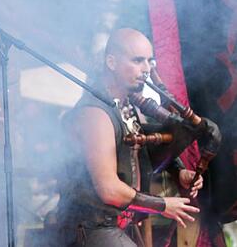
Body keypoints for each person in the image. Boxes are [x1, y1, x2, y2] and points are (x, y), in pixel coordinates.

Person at [59, 28, 202, 246]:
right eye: (137, 60)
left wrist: (179, 171)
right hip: (91, 228)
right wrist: (162, 204)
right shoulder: (96, 113)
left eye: (149, 61)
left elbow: (141, 151)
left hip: (117, 224)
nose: (146, 69)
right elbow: (108, 189)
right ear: (111, 62)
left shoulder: (126, 106)